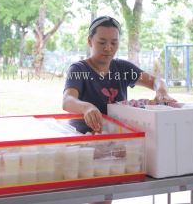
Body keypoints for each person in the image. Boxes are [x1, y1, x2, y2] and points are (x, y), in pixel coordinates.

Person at [62, 16, 176, 204]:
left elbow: (156, 80)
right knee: (91, 197)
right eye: (102, 42)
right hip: (86, 146)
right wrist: (86, 107)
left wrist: (161, 91)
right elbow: (67, 100)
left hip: (115, 146)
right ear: (89, 41)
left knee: (106, 197)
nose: (108, 48)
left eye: (114, 42)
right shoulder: (79, 69)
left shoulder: (122, 68)